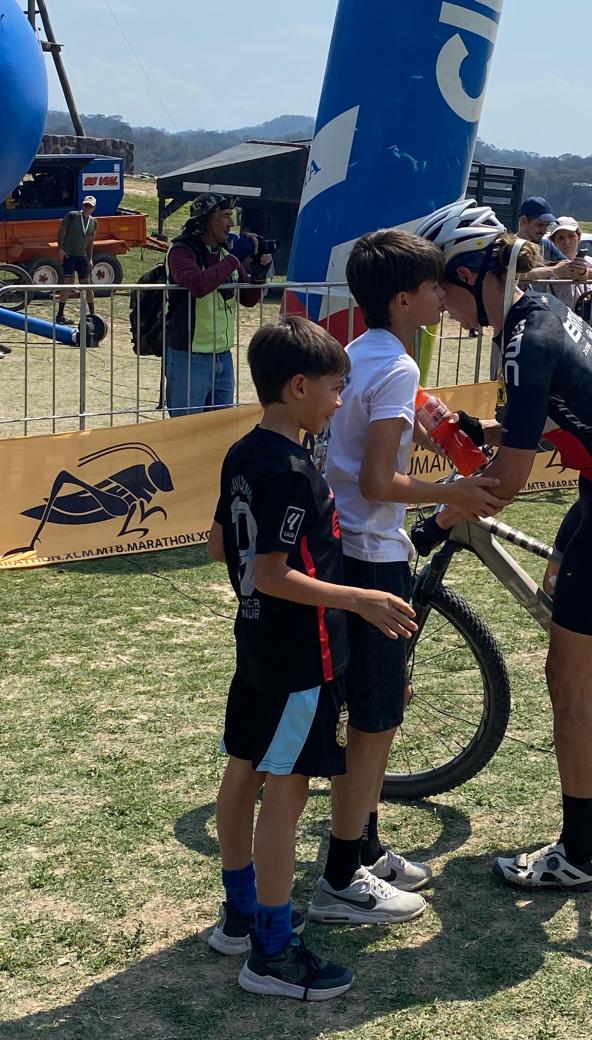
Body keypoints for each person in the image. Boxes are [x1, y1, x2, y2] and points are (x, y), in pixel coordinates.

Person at [416, 200, 592, 892]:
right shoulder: (532, 315)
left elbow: (504, 483)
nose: (440, 304)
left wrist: (439, 517)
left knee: (565, 681)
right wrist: (474, 426)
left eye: (443, 286)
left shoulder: (523, 340)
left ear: (475, 274)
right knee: (561, 591)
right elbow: (539, 424)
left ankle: (578, 853)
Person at [207, 316, 419, 1000]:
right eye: (335, 388)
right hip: (301, 652)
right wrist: (357, 598)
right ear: (298, 387)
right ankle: (271, 949)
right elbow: (271, 571)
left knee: (245, 771)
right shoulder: (296, 470)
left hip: (257, 641)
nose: (339, 400)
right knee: (287, 790)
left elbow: (221, 546)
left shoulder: (242, 452)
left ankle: (239, 913)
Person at [308, 229, 509, 923]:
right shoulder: (393, 367)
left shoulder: (361, 353)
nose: (442, 296)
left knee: (374, 708)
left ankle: (364, 847)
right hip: (373, 553)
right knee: (375, 718)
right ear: (403, 299)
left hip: (346, 545)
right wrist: (451, 494)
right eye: (432, 288)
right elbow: (377, 478)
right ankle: (342, 874)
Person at [164, 193, 270, 415]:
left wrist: (258, 274)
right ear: (205, 219)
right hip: (190, 356)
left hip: (223, 354)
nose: (231, 223)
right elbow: (198, 285)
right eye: (225, 216)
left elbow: (248, 300)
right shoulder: (181, 251)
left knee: (220, 430)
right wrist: (234, 259)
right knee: (186, 431)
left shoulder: (223, 252)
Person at [515, 195, 586, 286]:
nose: (544, 231)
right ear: (523, 221)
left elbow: (573, 273)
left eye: (547, 225)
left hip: (541, 300)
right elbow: (510, 274)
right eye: (539, 225)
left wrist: (581, 271)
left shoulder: (546, 245)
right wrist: (553, 270)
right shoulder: (507, 246)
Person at [55, 195, 97, 324]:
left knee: (87, 284)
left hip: (81, 256)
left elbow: (90, 242)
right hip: (69, 254)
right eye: (85, 205)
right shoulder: (72, 216)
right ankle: (60, 315)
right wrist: (60, 249)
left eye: (89, 206)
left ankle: (93, 315)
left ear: (94, 208)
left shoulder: (94, 222)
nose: (87, 207)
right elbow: (61, 232)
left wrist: (90, 259)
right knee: (68, 281)